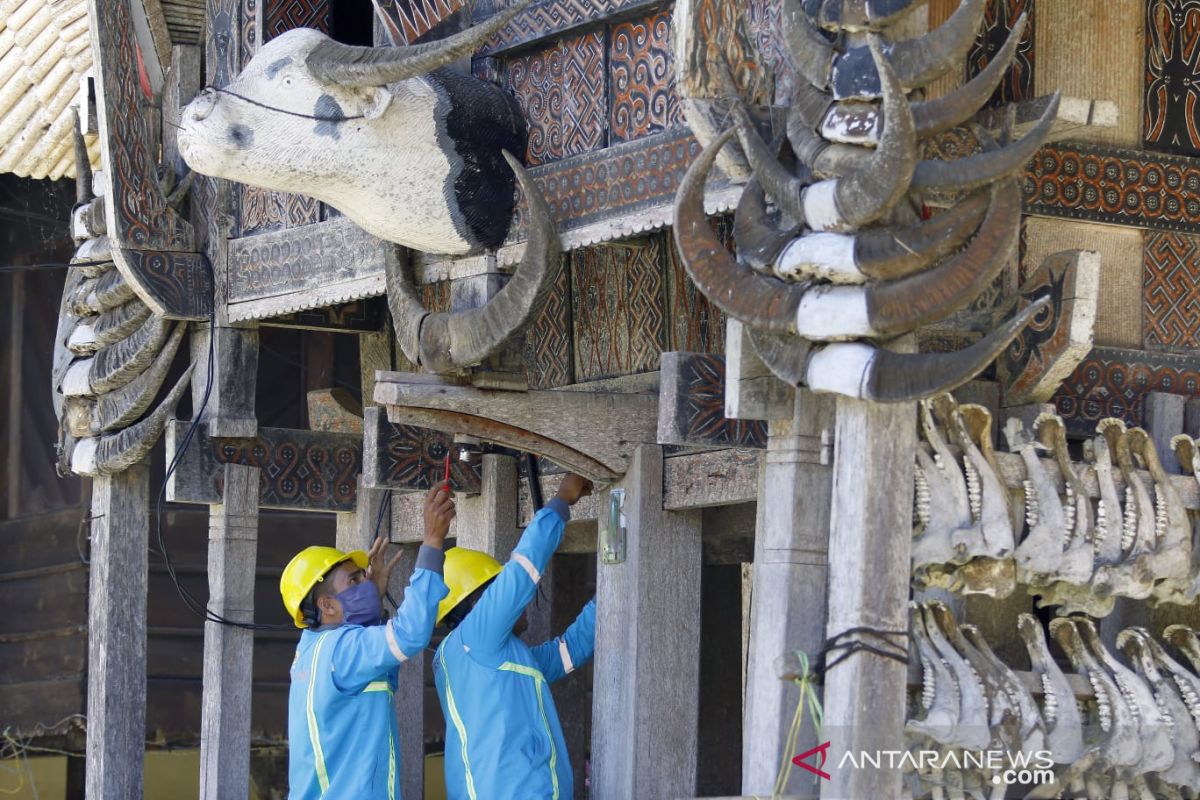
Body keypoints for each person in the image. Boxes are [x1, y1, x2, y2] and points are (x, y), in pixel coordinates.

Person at [281, 484, 455, 799]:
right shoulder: (344, 650)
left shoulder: (310, 649)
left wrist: (368, 604)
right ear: (327, 606)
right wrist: (431, 542)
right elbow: (410, 634)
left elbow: (378, 673)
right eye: (354, 581)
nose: (366, 583)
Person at [434, 473, 596, 800]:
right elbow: (524, 567)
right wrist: (562, 498)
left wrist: (614, 585)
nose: (520, 602)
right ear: (477, 603)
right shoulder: (476, 637)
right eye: (497, 587)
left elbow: (571, 650)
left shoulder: (488, 658)